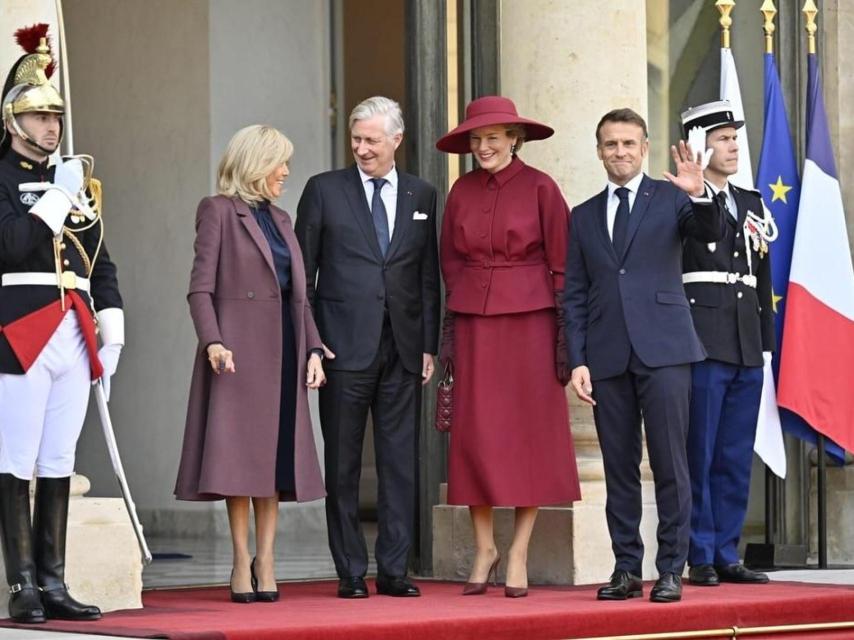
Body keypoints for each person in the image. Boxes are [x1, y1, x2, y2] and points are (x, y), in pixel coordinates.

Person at [564, 108, 724, 603]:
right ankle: (626, 569)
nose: (620, 152)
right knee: (618, 466)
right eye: (611, 144)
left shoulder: (672, 198)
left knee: (671, 463)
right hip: (607, 354)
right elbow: (574, 291)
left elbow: (710, 233)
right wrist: (577, 359)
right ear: (598, 151)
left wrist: (699, 193)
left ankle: (671, 569)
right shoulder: (583, 214)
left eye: (629, 144)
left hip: (666, 349)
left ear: (645, 147)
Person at [0, 26, 124, 623]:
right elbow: (15, 244)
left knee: (58, 461)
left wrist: (115, 327)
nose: (51, 126)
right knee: (16, 458)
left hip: (75, 331)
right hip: (18, 329)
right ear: (11, 120)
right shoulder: (4, 179)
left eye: (55, 115)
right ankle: (21, 583)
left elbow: (101, 260)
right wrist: (56, 196)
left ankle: (53, 581)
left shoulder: (76, 180)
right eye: (38, 116)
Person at [174, 125, 327, 603]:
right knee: (241, 460)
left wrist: (315, 349)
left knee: (277, 460)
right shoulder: (217, 210)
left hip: (284, 346)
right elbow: (200, 287)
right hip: (236, 355)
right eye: (280, 162)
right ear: (256, 164)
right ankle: (241, 559)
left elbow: (299, 296)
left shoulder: (282, 219)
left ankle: (269, 559)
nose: (286, 172)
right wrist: (213, 342)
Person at [295, 96, 440, 599]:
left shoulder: (423, 194)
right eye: (356, 139)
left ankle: (395, 569)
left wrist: (428, 344)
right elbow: (302, 279)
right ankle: (351, 569)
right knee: (343, 463)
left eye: (371, 140)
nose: (361, 149)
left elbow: (427, 276)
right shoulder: (323, 190)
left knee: (401, 462)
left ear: (396, 141)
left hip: (401, 348)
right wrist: (311, 343)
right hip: (341, 348)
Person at [436, 95, 580, 598]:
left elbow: (563, 265)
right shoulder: (460, 191)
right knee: (475, 435)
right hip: (474, 323)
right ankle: (484, 549)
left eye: (493, 138)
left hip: (531, 325)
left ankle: (517, 551)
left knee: (527, 437)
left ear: (515, 139)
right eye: (476, 139)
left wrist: (567, 337)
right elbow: (449, 263)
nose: (483, 147)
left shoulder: (542, 188)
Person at [679, 101, 775, 587]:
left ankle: (726, 551)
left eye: (735, 137)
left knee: (735, 453)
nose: (734, 145)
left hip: (744, 342)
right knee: (701, 450)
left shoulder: (752, 200)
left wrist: (765, 341)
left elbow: (761, 275)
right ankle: (699, 553)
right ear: (698, 145)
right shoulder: (678, 198)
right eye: (722, 138)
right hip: (702, 339)